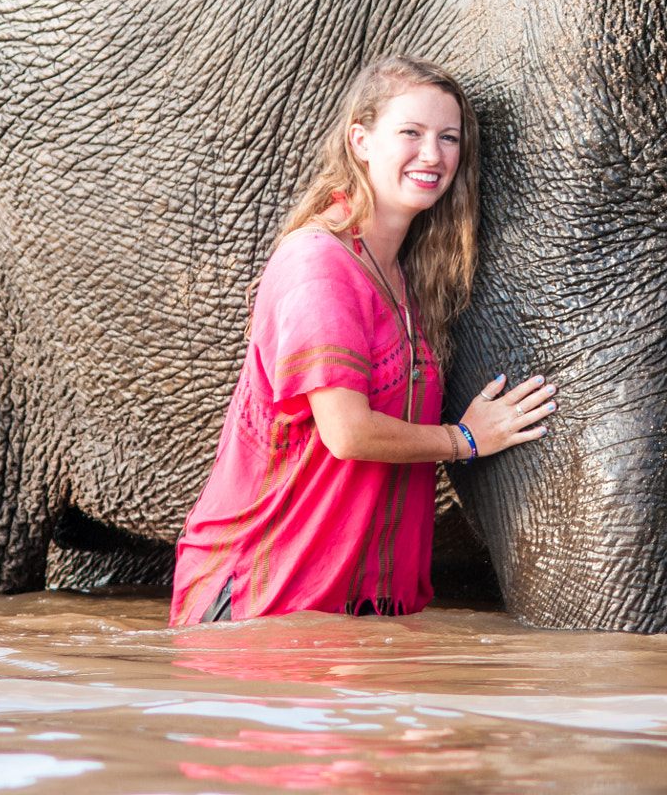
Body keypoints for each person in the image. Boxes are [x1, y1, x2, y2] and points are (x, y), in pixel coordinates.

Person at [170, 56, 552, 624]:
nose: (433, 155)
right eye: (411, 133)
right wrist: (465, 439)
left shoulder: (404, 277)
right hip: (261, 604)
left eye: (449, 138)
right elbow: (347, 432)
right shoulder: (319, 265)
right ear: (361, 141)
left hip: (354, 613)